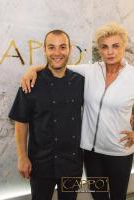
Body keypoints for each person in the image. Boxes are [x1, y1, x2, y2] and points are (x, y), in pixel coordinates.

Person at [21, 23, 134, 200]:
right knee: (99, 197)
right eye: (104, 47)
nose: (110, 52)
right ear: (99, 49)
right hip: (91, 155)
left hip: (118, 153)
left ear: (124, 47)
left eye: (115, 46)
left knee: (116, 197)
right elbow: (58, 67)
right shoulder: (90, 71)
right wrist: (32, 69)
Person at [8, 30, 84, 200]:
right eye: (52, 47)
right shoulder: (31, 82)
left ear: (70, 49)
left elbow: (101, 99)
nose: (57, 53)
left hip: (72, 164)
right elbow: (21, 122)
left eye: (62, 47)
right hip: (40, 164)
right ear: (44, 50)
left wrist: (124, 113)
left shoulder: (80, 81)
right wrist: (22, 157)